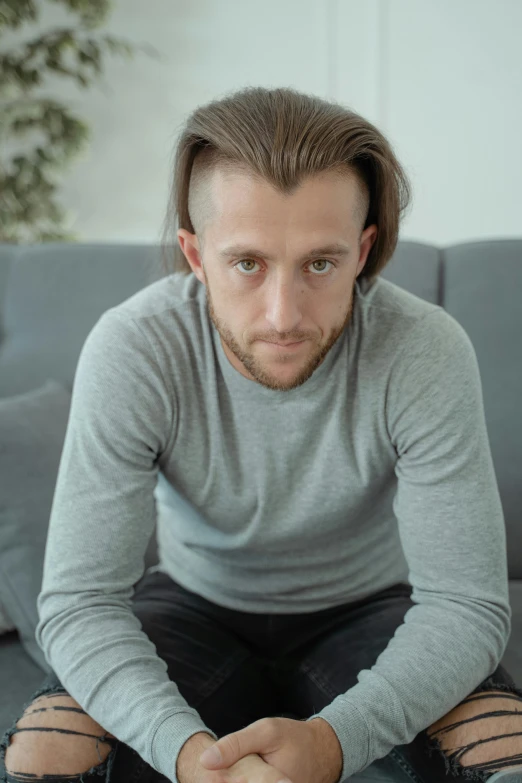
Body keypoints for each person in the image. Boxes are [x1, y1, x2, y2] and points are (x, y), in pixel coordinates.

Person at [2, 85, 522, 783]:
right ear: (195, 254)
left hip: (372, 611)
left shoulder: (425, 349)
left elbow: (466, 605)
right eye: (247, 263)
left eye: (320, 263)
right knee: (44, 756)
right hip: (191, 606)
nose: (284, 314)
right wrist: (187, 757)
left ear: (363, 251)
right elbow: (79, 602)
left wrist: (333, 743)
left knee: (506, 754)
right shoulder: (134, 347)